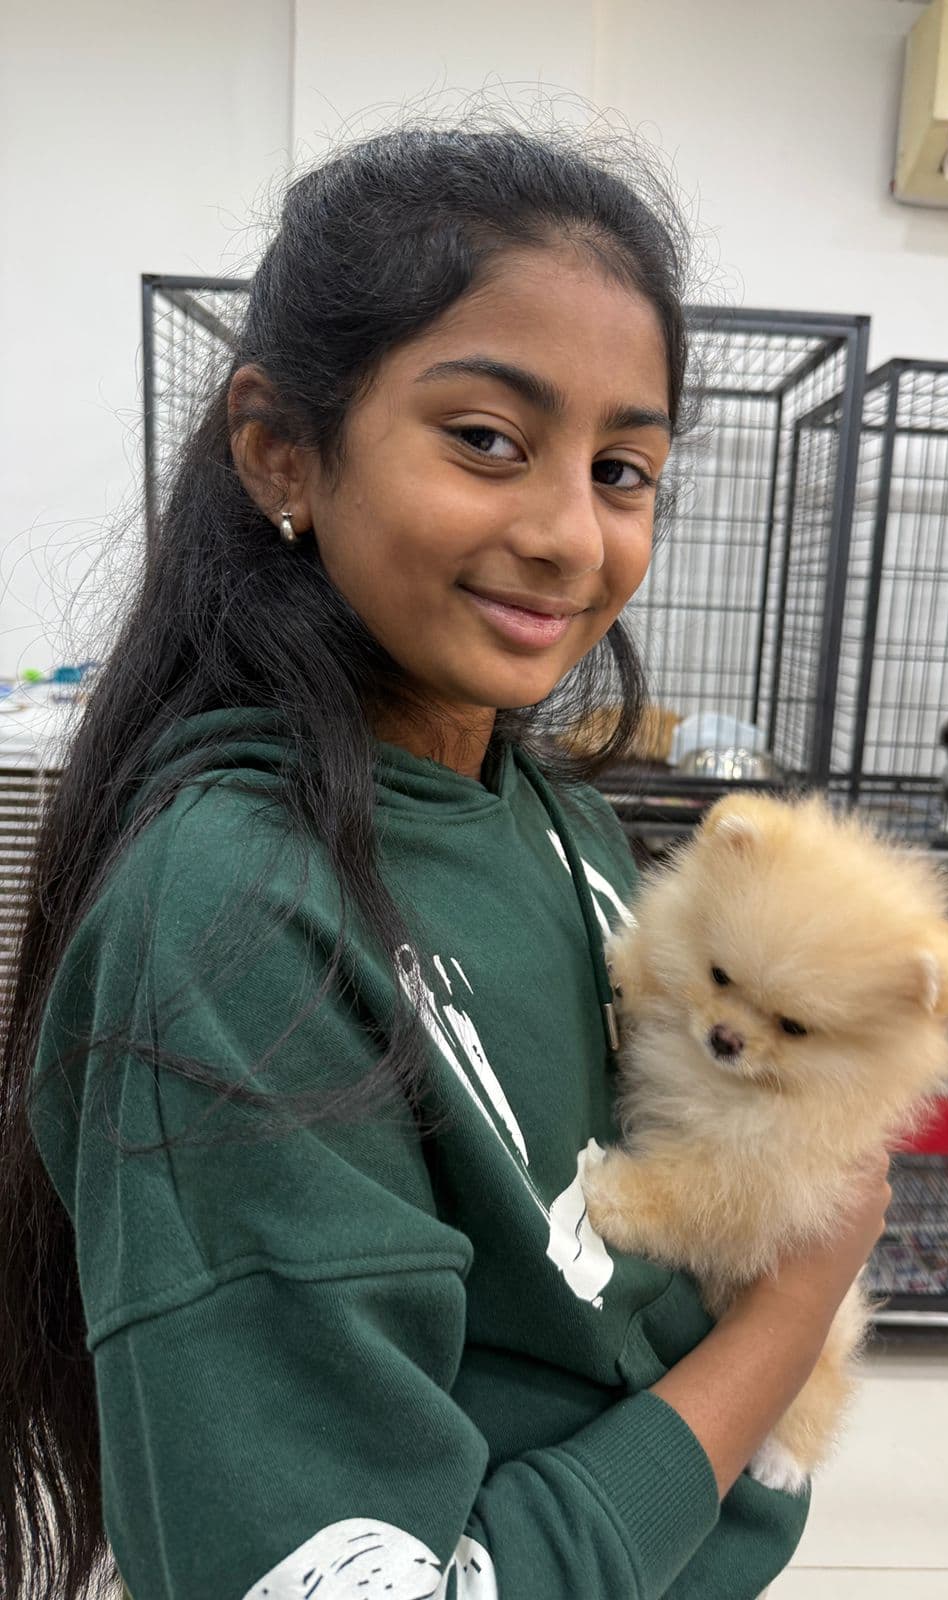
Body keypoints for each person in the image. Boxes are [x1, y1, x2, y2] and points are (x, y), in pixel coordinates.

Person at [0, 122, 892, 1600]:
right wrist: (789, 1310)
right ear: (284, 450)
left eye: (624, 468)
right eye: (486, 440)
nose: (566, 534)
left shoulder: (562, 816)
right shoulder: (232, 925)